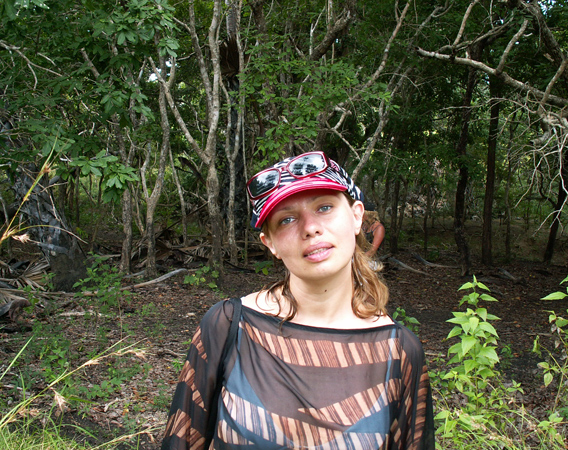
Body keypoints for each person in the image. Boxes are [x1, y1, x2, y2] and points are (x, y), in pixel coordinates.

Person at [162, 151, 434, 450]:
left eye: (325, 207)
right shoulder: (229, 326)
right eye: (287, 219)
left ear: (357, 216)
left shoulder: (400, 350)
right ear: (270, 243)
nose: (310, 228)